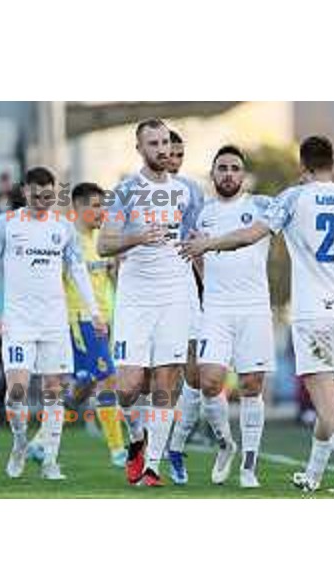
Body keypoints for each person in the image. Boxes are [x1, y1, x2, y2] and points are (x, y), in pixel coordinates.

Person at [179, 135, 334, 494]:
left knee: (324, 402)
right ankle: (312, 475)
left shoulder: (294, 197)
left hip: (315, 313)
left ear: (302, 167)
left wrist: (207, 243)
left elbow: (251, 235)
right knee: (332, 402)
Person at [0, 166, 105, 480]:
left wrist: (94, 311)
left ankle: (50, 460)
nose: (42, 200)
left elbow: (77, 271)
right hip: (18, 321)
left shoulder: (63, 227)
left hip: (54, 322)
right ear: (24, 192)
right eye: (36, 195)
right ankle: (20, 443)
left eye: (48, 195)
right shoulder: (5, 224)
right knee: (17, 391)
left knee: (54, 391)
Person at [97, 118, 198, 486]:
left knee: (165, 382)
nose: (161, 150)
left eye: (165, 143)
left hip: (174, 295)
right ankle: (137, 440)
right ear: (139, 148)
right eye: (152, 144)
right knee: (127, 386)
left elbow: (193, 238)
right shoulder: (125, 192)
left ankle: (152, 467)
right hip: (136, 298)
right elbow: (103, 244)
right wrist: (137, 236)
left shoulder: (188, 191)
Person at [175, 145, 276, 488]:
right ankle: (225, 445)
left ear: (243, 175)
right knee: (210, 381)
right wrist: (210, 287)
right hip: (216, 309)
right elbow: (196, 257)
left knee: (251, 386)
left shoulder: (261, 206)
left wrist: (211, 246)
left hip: (254, 308)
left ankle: (249, 468)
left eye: (235, 168)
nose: (229, 174)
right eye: (222, 168)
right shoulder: (202, 213)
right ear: (213, 174)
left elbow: (247, 239)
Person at [27, 182, 126, 468]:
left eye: (103, 206)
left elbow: (108, 282)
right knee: (108, 377)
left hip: (103, 321)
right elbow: (52, 282)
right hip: (79, 320)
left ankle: (40, 441)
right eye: (95, 206)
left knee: (84, 386)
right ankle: (118, 450)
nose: (101, 212)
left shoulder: (101, 243)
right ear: (78, 209)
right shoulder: (67, 242)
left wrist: (114, 270)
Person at [163, 129, 207, 484]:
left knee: (195, 372)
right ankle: (143, 444)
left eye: (179, 154)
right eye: (168, 152)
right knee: (151, 378)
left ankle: (174, 447)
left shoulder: (193, 191)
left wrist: (208, 285)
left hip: (185, 290)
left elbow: (196, 243)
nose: (173, 160)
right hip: (148, 295)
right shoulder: (136, 188)